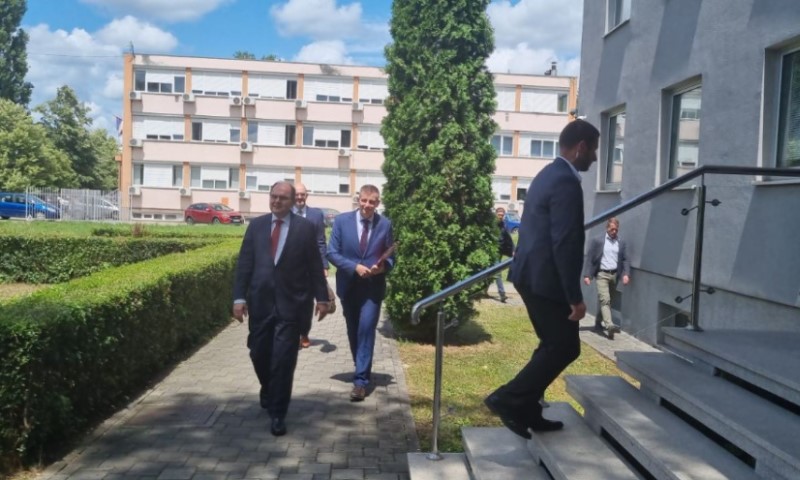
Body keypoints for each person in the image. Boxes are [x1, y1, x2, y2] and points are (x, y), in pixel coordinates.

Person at [484, 119, 599, 439]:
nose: (595, 157)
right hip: (546, 281)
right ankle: (507, 399)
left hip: (531, 276)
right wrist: (574, 297)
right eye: (593, 150)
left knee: (554, 344)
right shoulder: (566, 181)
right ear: (580, 147)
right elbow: (565, 242)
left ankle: (528, 410)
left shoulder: (548, 173)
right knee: (565, 347)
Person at [232, 181, 330, 436]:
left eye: (283, 198)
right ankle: (268, 387)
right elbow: (245, 264)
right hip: (260, 304)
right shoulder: (257, 226)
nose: (277, 201)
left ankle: (278, 413)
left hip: (291, 305)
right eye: (274, 196)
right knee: (258, 353)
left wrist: (322, 298)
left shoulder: (304, 229)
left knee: (283, 361)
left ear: (293, 201)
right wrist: (238, 298)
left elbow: (314, 266)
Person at [327, 184, 395, 402]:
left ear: (378, 203)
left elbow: (391, 257)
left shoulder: (385, 224)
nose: (367, 205)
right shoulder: (341, 221)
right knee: (353, 330)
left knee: (366, 329)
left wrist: (382, 268)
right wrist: (354, 267)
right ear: (358, 200)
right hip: (348, 286)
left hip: (372, 288)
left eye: (372, 202)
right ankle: (361, 365)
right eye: (364, 200)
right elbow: (331, 252)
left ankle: (360, 382)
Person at [293, 182, 330, 349]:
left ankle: (304, 333)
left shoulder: (316, 215)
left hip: (309, 267)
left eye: (302, 194)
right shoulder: (285, 213)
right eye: (297, 194)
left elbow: (321, 241)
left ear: (306, 196)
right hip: (289, 267)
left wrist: (324, 266)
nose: (300, 197)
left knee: (306, 303)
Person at [583, 217, 630, 339]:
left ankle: (598, 323)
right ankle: (610, 326)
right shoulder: (597, 240)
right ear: (607, 228)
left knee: (608, 302)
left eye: (616, 230)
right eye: (612, 229)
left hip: (615, 275)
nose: (614, 232)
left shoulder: (621, 242)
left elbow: (625, 259)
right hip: (601, 274)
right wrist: (587, 275)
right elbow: (590, 258)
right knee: (605, 300)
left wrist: (626, 274)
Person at [495, 207, 514, 302]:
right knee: (497, 272)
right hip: (493, 250)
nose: (500, 216)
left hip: (501, 250)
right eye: (499, 215)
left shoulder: (504, 224)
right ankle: (502, 294)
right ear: (496, 214)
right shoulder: (492, 225)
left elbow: (508, 238)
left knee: (494, 271)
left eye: (502, 215)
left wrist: (513, 250)